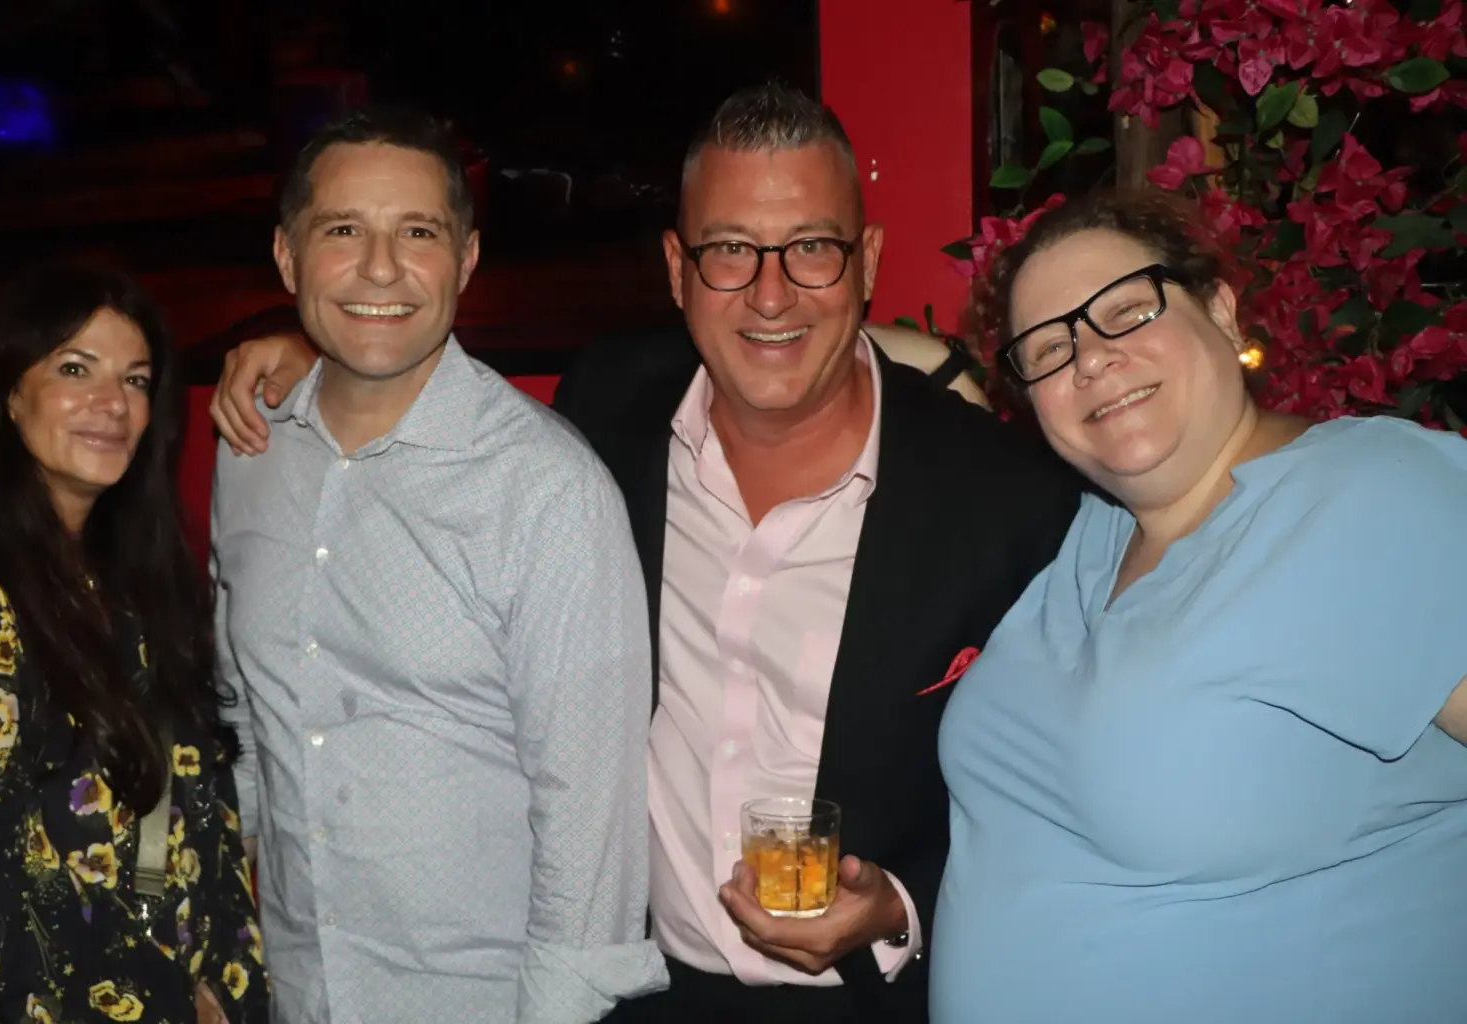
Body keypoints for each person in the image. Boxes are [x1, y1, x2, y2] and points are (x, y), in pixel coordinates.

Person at [209, 84, 1084, 1024]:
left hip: (866, 999)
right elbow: (397, 371)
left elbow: (1064, 787)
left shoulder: (1001, 499)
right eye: (729, 252)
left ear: (866, 260)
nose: (772, 292)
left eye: (812, 249)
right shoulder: (608, 410)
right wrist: (315, 351)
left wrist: (904, 902)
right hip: (644, 993)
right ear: (676, 268)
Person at [932, 189, 1467, 1023]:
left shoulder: (1368, 496)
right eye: (1047, 347)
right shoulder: (1087, 540)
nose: (1091, 360)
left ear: (1220, 309)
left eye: (1125, 311)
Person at [210, 105, 666, 1023]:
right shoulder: (251, 450)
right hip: (294, 993)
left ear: (463, 260)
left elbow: (592, 822)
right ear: (288, 259)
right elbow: (249, 727)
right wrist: (224, 946)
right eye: (344, 231)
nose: (381, 268)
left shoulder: (548, 489)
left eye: (417, 232)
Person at [0, 265, 267, 1023]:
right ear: (8, 395)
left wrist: (230, 983)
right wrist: (166, 999)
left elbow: (207, 810)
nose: (112, 404)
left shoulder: (141, 586)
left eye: (136, 379)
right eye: (74, 369)